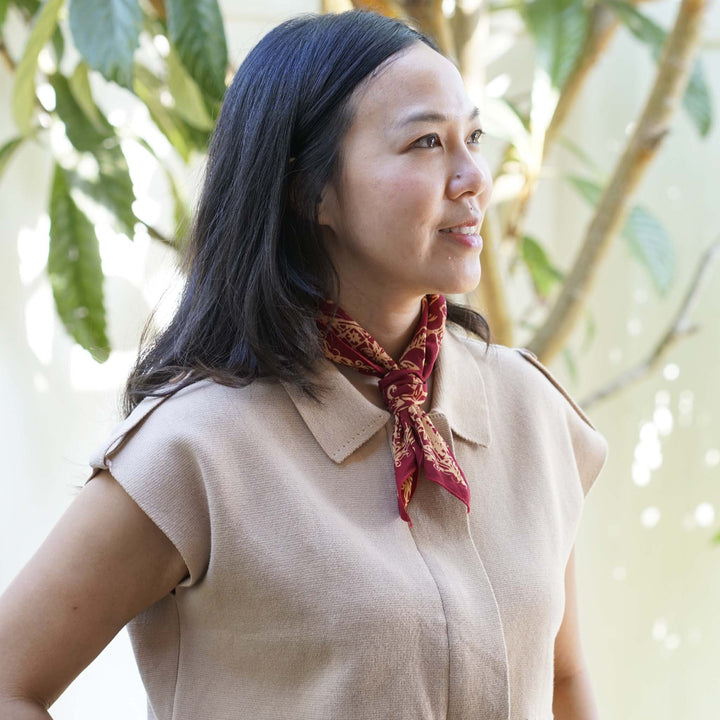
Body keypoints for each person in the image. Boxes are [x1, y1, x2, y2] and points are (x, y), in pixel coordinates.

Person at [0, 9, 608, 720]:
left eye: (472, 137)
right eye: (426, 143)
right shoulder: (197, 449)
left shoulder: (527, 407)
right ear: (308, 189)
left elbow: (562, 681)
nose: (474, 175)